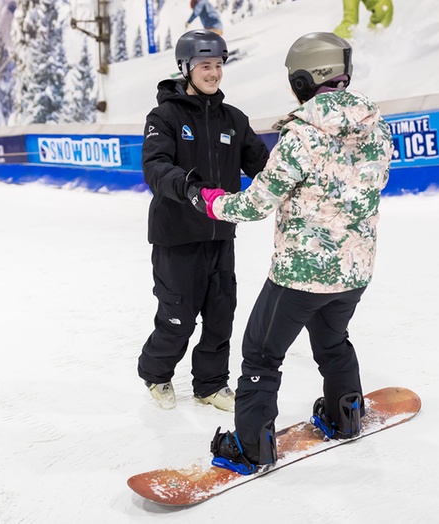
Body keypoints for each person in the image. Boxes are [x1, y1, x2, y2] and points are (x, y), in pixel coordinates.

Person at [191, 32, 394, 474]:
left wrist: (209, 200)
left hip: (300, 273)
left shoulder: (301, 136)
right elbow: (373, 184)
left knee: (262, 354)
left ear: (303, 80)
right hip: (354, 270)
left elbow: (255, 205)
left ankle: (249, 447)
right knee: (333, 341)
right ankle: (345, 417)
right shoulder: (377, 127)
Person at [138, 30, 269, 411]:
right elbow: (156, 167)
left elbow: (264, 166)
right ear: (186, 69)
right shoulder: (164, 116)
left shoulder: (234, 120)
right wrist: (191, 190)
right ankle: (157, 374)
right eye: (205, 66)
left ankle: (211, 385)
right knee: (178, 315)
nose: (213, 74)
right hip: (177, 235)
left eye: (218, 66)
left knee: (220, 313)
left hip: (220, 235)